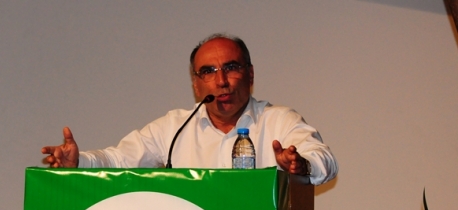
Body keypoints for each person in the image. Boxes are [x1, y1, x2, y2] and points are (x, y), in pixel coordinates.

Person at [42, 34, 338, 185]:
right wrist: (80, 162)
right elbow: (120, 158)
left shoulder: (278, 121)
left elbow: (325, 160)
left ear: (250, 75)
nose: (221, 81)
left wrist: (302, 165)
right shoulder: (175, 128)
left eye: (231, 68)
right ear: (196, 85)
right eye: (208, 72)